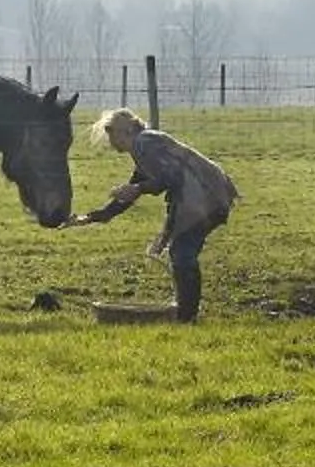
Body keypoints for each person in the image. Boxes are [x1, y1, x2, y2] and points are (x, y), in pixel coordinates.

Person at [64, 107, 238, 320]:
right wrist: (91, 217)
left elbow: (169, 178)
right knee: (180, 252)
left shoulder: (145, 143)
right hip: (210, 195)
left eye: (112, 134)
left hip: (206, 197)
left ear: (127, 130)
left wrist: (138, 189)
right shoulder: (143, 149)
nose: (110, 141)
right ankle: (184, 314)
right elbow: (130, 196)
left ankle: (186, 317)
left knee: (182, 254)